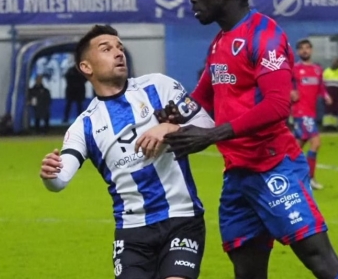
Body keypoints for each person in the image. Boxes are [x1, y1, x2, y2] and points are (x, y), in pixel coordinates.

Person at [163, 0, 338, 279]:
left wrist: (212, 135)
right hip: (238, 177)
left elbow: (277, 106)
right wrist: (174, 115)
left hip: (274, 166)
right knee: (247, 272)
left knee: (322, 263)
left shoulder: (264, 33)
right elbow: (203, 96)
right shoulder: (219, 42)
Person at [38, 24, 214, 279]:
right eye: (106, 49)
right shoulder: (84, 126)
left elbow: (207, 124)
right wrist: (50, 174)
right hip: (132, 233)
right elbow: (60, 180)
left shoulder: (158, 86)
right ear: (86, 67)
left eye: (120, 47)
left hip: (182, 219)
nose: (118, 53)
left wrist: (168, 127)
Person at [291, 40, 332, 190]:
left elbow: (321, 86)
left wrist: (326, 95)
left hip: (311, 111)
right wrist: (290, 92)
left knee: (295, 147)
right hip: (301, 112)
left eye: (307, 48)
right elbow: (286, 84)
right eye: (301, 49)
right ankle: (310, 178)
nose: (305, 51)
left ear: (311, 50)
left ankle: (284, 174)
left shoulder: (317, 69)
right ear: (297, 52)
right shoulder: (294, 69)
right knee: (316, 142)